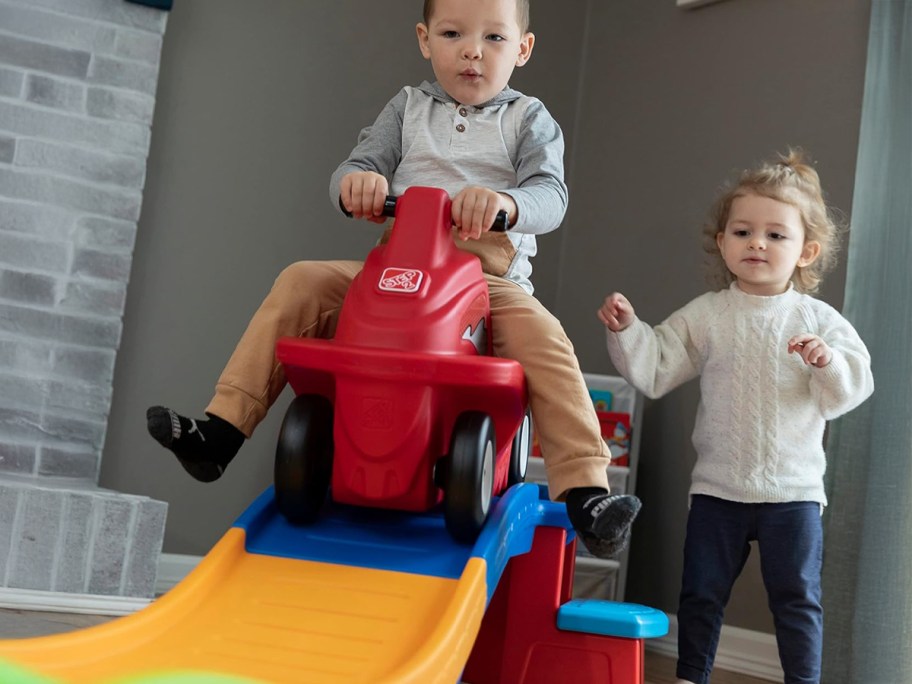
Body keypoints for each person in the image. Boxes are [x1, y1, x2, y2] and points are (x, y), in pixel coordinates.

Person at [147, 0, 640, 559]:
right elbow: (355, 168)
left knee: (544, 337)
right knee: (301, 280)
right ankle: (222, 430)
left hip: (485, 283)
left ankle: (585, 490)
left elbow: (551, 196)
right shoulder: (407, 108)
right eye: (453, 34)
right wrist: (356, 185)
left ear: (522, 49)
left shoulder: (528, 119)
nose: (473, 51)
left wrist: (506, 203)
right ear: (425, 40)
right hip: (397, 271)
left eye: (494, 38)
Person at [597, 149, 874, 684]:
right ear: (722, 242)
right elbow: (657, 365)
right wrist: (628, 330)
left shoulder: (819, 320)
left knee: (797, 598)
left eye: (776, 235)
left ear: (806, 251)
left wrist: (827, 362)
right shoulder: (708, 314)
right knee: (701, 593)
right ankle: (690, 675)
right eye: (743, 232)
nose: (757, 244)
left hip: (793, 493)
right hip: (718, 489)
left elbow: (850, 389)